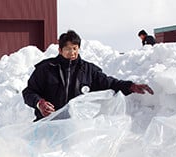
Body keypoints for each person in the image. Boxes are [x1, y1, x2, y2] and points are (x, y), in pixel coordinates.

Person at [23, 30, 153, 121]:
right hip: (47, 125)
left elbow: (109, 83)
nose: (72, 52)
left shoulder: (88, 70)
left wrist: (130, 86)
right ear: (60, 50)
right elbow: (29, 92)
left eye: (75, 48)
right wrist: (39, 103)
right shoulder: (46, 69)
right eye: (68, 49)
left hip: (74, 129)